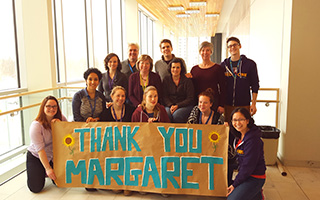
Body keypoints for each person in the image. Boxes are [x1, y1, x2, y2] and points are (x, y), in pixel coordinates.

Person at [26, 95, 67, 193]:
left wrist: (61, 125)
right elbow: (40, 151)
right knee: (36, 188)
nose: (51, 109)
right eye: (48, 106)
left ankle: (44, 171)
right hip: (36, 156)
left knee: (61, 182)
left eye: (54, 106)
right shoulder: (36, 126)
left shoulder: (61, 118)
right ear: (43, 107)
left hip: (53, 156)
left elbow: (68, 133)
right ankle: (39, 171)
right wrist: (48, 169)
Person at [227, 108, 266, 200]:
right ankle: (256, 195)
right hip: (245, 175)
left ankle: (256, 191)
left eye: (241, 119)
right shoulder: (239, 136)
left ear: (247, 121)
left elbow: (248, 166)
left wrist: (235, 184)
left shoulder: (253, 141)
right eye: (235, 120)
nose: (238, 123)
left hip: (255, 177)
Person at [220, 37, 260, 122]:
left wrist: (253, 103)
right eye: (230, 46)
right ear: (227, 49)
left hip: (244, 104)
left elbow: (255, 85)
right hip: (228, 104)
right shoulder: (223, 65)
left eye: (235, 45)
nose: (232, 48)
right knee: (229, 128)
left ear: (240, 46)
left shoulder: (250, 64)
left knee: (243, 128)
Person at [105, 86, 134, 196]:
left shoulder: (131, 110)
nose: (120, 98)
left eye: (123, 96)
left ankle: (128, 183)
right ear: (112, 96)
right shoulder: (105, 113)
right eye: (118, 95)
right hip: (113, 146)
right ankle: (116, 181)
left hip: (128, 144)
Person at [186, 41, 226, 114]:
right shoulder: (194, 69)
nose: (205, 52)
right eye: (203, 50)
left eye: (207, 50)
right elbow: (192, 87)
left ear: (211, 52)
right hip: (199, 103)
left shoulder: (218, 68)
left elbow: (223, 88)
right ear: (200, 52)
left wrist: (221, 105)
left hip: (213, 103)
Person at [162, 58, 194, 123]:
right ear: (170, 68)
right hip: (169, 105)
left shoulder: (187, 80)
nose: (175, 70)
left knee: (177, 115)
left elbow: (190, 98)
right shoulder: (166, 79)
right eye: (173, 67)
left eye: (178, 67)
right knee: (167, 114)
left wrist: (177, 105)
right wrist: (171, 105)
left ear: (181, 68)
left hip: (184, 105)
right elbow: (164, 96)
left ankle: (179, 133)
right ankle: (168, 133)